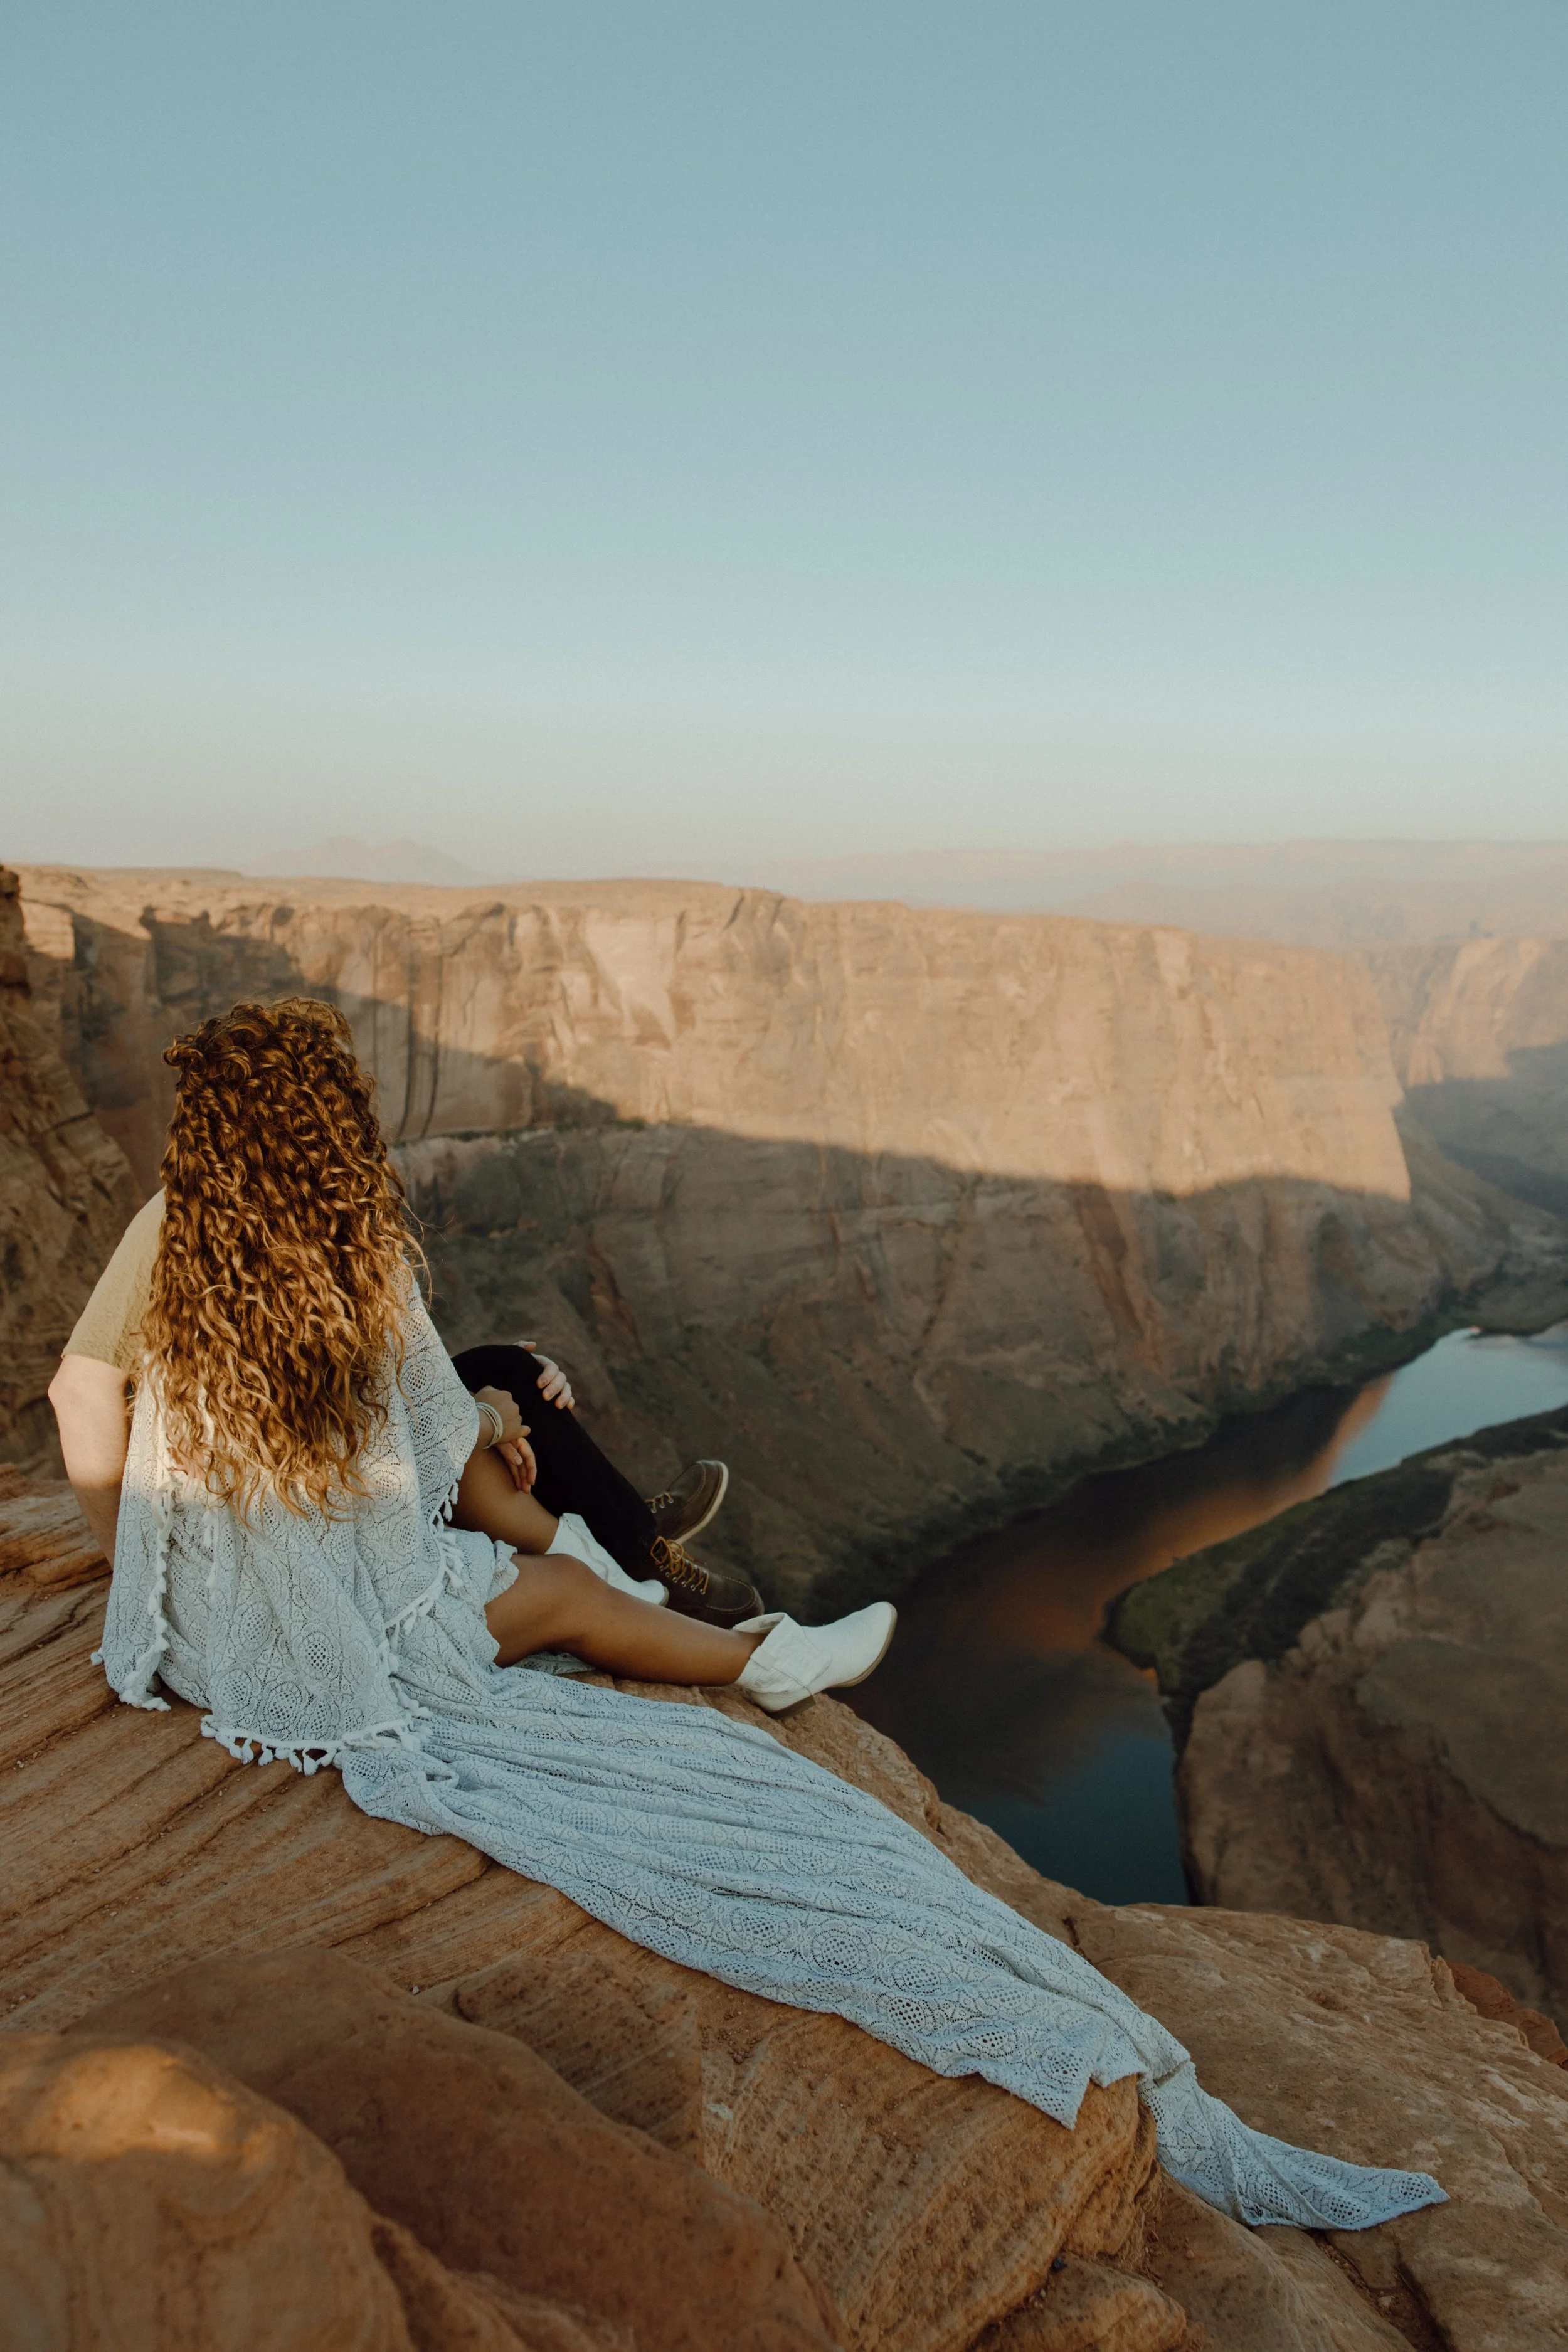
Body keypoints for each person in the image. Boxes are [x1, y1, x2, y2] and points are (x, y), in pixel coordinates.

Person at [50, 997, 1445, 2236]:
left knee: (545, 1575)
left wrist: (148, 1570)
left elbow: (81, 1401)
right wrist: (467, 1424)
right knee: (555, 1591)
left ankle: (725, 1633)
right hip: (334, 1619)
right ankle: (750, 1654)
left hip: (225, 1619)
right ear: (325, 1126)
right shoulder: (348, 1248)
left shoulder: (173, 1234)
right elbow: (420, 1452)